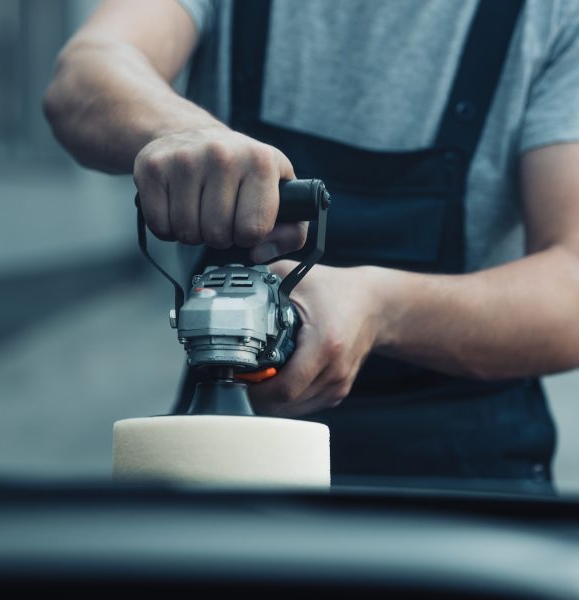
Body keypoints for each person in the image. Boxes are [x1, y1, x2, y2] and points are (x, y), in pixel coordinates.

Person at [44, 0, 579, 491]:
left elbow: (570, 284)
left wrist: (383, 309)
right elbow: (85, 72)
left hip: (468, 470)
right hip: (230, 452)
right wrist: (182, 132)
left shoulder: (552, 14)